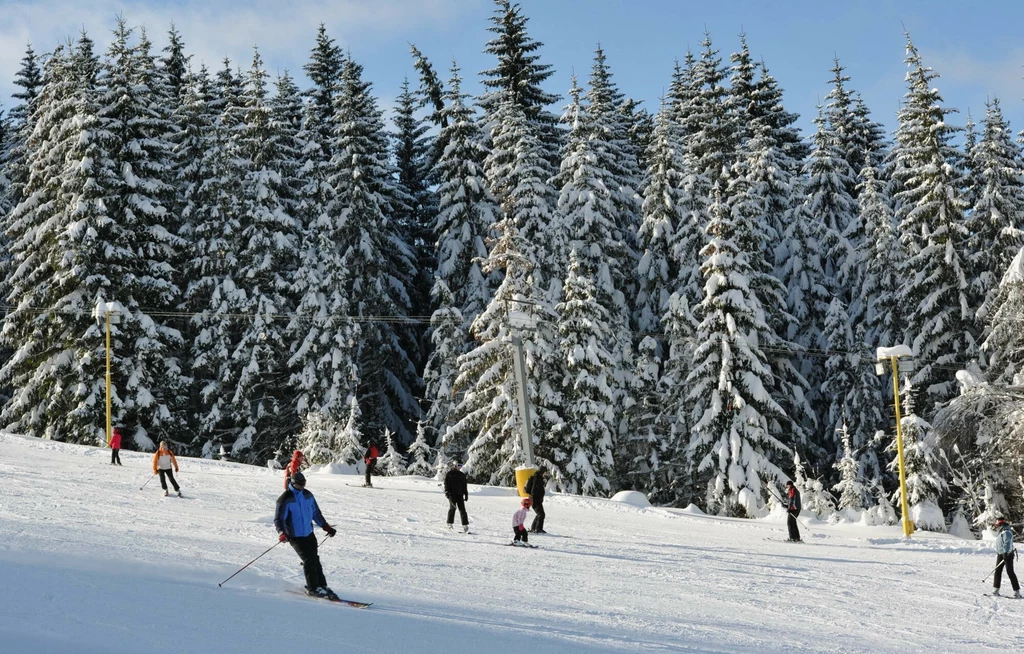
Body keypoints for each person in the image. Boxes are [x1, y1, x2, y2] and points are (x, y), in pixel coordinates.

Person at [274, 472, 338, 599]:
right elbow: (278, 520)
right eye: (300, 484)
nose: (302, 486)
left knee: (315, 559)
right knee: (309, 560)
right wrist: (282, 533)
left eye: (304, 483)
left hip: (309, 534)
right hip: (295, 536)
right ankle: (312, 588)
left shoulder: (308, 495)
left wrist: (326, 527)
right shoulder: (285, 499)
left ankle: (322, 586)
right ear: (293, 483)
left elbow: (316, 513)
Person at [992, 518, 1021, 598]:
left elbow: (1007, 543)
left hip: (1007, 554)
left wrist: (1006, 553)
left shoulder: (1007, 532)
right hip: (1001, 554)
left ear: (1001, 525)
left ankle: (1017, 591)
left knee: (1010, 572)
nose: (996, 527)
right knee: (997, 571)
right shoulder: (1001, 532)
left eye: (997, 525)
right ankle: (996, 589)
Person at [444, 460, 469, 532]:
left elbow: (464, 486)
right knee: (453, 508)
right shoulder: (449, 474)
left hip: (460, 494)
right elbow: (446, 484)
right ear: (455, 465)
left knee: (462, 510)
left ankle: (465, 525)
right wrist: (447, 492)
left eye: (461, 466)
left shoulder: (462, 475)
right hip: (452, 494)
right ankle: (449, 523)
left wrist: (466, 494)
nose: (460, 467)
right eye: (458, 466)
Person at [526, 468, 547, 533]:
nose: (545, 474)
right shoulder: (537, 478)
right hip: (535, 499)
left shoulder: (539, 478)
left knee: (539, 514)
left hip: (537, 499)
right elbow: (534, 489)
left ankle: (534, 528)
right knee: (541, 514)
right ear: (542, 472)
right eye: (545, 472)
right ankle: (538, 529)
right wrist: (533, 498)